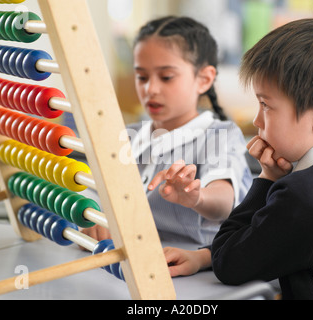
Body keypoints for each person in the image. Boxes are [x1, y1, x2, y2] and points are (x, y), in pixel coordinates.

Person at [165, 18, 313, 300]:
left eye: (266, 105)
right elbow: (267, 244)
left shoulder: (307, 194)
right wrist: (205, 256)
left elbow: (230, 264)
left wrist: (267, 179)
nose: (256, 119)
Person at [82, 16, 252, 246]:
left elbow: (223, 201)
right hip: (128, 261)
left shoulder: (220, 136)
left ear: (204, 79)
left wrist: (197, 196)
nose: (150, 89)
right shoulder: (128, 135)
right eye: (141, 76)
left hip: (191, 266)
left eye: (166, 77)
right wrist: (91, 217)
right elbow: (95, 190)